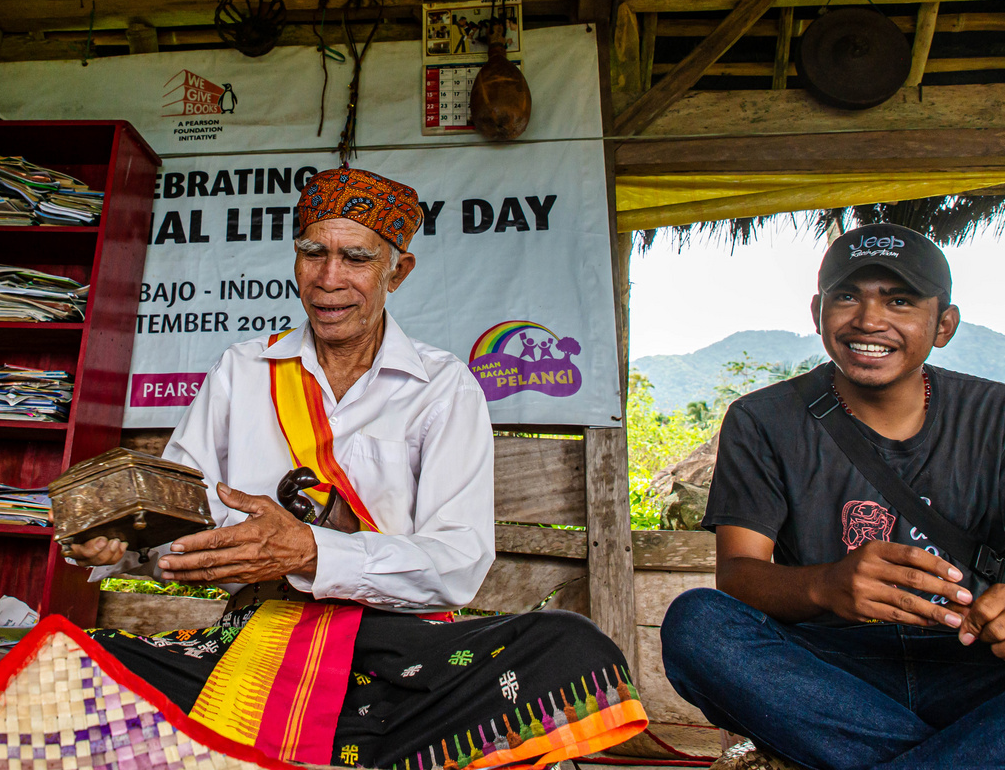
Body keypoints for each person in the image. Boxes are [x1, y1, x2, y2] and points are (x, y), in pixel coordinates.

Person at [64, 168, 648, 770]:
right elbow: (178, 524)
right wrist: (125, 542)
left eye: (357, 257)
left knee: (573, 649)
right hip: (250, 642)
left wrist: (311, 553)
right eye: (312, 252)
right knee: (73, 661)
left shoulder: (442, 388)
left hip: (399, 653)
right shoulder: (242, 372)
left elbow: (457, 562)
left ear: (398, 271)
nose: (328, 279)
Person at [660, 223, 1005, 770]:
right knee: (697, 624)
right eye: (847, 296)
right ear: (816, 312)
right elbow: (738, 578)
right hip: (829, 679)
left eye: (900, 300)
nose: (869, 320)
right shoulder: (763, 419)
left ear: (944, 324)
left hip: (977, 665)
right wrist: (827, 585)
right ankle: (990, 751)